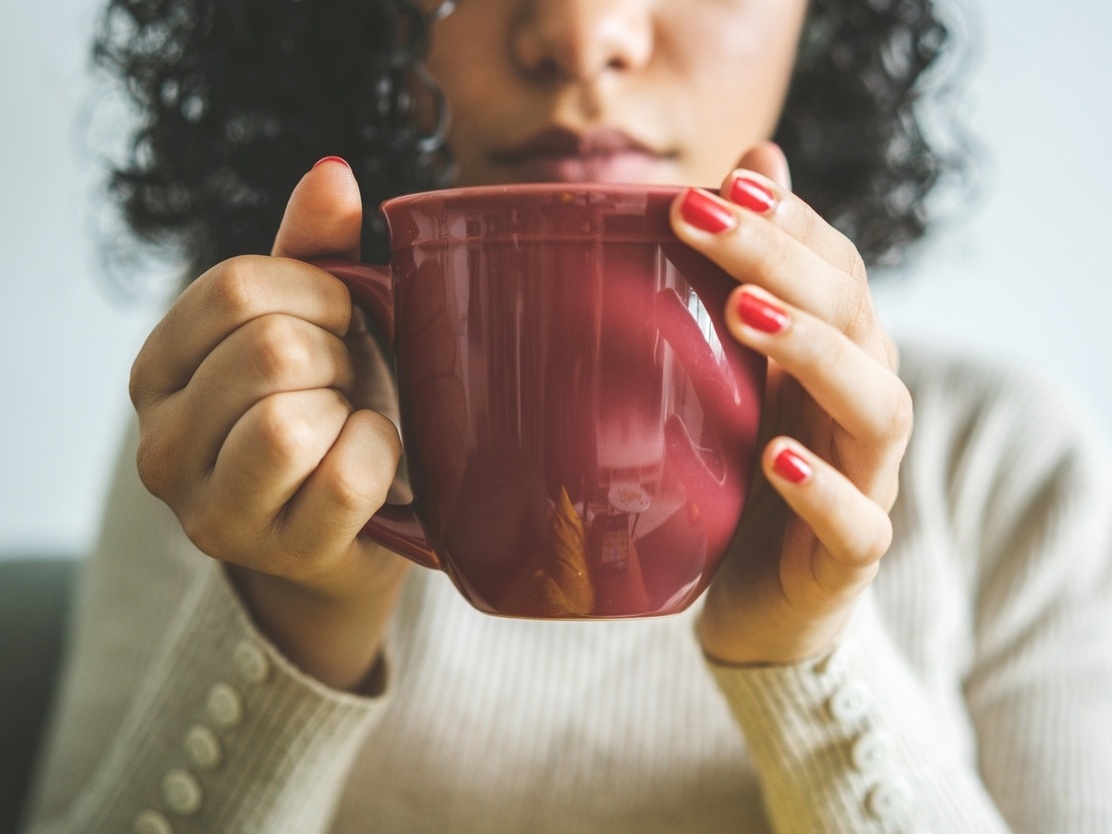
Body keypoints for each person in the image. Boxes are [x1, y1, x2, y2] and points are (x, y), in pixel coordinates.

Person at [20, 0, 1112, 832]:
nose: (580, 33)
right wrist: (286, 620)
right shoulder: (247, 438)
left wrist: (808, 658)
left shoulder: (1008, 468)